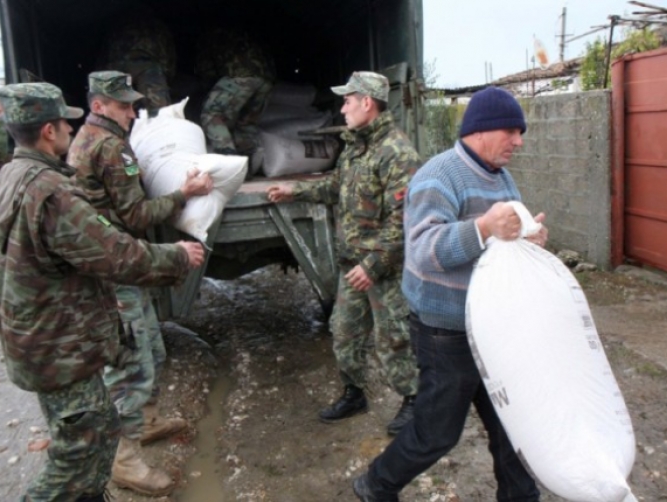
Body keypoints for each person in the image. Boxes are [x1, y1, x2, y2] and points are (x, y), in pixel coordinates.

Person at [0, 82, 205, 502]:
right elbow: (115, 254)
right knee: (79, 450)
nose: (72, 126)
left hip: (40, 336)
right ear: (49, 130)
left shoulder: (11, 176)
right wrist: (177, 256)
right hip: (58, 345)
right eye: (64, 120)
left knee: (94, 428)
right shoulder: (49, 191)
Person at [352, 86, 549, 502]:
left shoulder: (501, 177)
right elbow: (422, 251)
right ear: (481, 130)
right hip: (447, 332)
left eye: (521, 132)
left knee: (512, 426)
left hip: (493, 326)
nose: (519, 141)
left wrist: (527, 237)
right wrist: (482, 228)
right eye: (512, 131)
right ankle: (376, 484)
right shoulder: (437, 177)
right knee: (436, 433)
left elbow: (501, 239)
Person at [67, 70, 213, 497]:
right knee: (132, 364)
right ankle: (124, 462)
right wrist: (184, 193)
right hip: (114, 270)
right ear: (99, 105)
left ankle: (146, 422)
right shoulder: (109, 146)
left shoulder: (88, 138)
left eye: (133, 103)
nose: (133, 111)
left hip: (116, 267)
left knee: (151, 347)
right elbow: (136, 217)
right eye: (124, 104)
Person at [267, 71, 420, 436]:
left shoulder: (398, 153)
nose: (342, 108)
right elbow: (338, 184)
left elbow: (404, 221)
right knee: (344, 333)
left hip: (382, 269)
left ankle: (415, 402)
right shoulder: (356, 145)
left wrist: (375, 264)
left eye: (347, 101)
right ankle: (354, 394)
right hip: (354, 265)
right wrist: (295, 191)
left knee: (394, 339)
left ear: (367, 102)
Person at [197, 27, 275, 162]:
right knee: (246, 124)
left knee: (211, 114)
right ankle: (247, 165)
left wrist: (207, 89)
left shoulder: (213, 35)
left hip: (240, 76)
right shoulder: (245, 35)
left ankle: (231, 162)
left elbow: (207, 70)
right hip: (266, 79)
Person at [98, 14, 177, 115]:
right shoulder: (156, 26)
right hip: (147, 68)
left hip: (116, 67)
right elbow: (168, 58)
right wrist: (165, 77)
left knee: (114, 112)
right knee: (159, 113)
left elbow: (103, 55)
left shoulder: (117, 24)